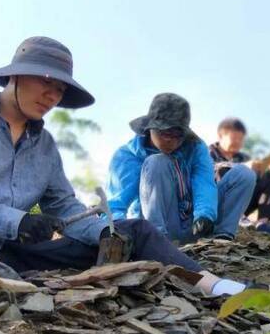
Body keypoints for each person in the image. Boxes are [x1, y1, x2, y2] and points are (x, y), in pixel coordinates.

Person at [0, 36, 270, 306]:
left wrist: (105, 229)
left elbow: (66, 207)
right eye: (46, 82)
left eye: (61, 89)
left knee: (132, 229)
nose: (53, 95)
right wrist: (14, 220)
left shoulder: (45, 146)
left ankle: (223, 288)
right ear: (15, 74)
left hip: (24, 256)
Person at [107, 94, 256, 242]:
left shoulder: (195, 147)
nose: (171, 140)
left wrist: (205, 214)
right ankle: (157, 241)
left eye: (177, 134)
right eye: (165, 133)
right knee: (157, 162)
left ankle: (221, 236)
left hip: (195, 224)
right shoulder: (126, 156)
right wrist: (119, 232)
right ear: (149, 128)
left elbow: (204, 181)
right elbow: (115, 204)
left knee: (244, 174)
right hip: (155, 229)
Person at [209, 117, 270, 233]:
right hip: (216, 199)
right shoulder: (208, 153)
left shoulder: (242, 157)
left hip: (243, 202)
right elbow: (211, 171)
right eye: (234, 138)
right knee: (223, 170)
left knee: (269, 177)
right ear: (220, 136)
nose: (238, 142)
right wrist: (242, 167)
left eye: (241, 139)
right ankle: (237, 218)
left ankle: (262, 223)